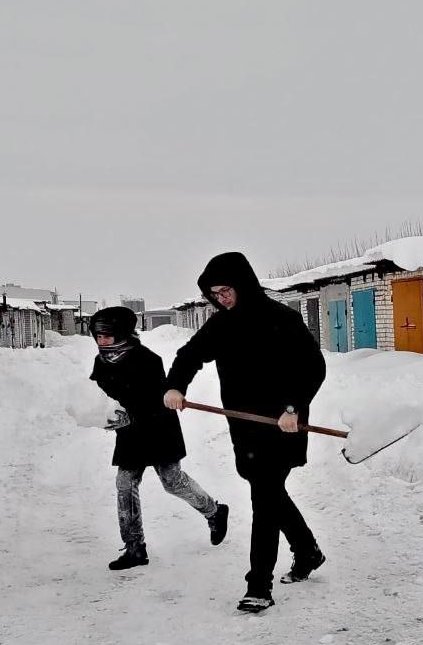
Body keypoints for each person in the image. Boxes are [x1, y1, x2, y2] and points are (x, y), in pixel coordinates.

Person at [163, 252, 326, 613]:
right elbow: (189, 355)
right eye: (214, 294)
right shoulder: (221, 325)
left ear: (243, 284)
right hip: (245, 429)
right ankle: (307, 550)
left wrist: (293, 407)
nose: (221, 299)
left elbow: (313, 367)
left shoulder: (282, 319)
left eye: (226, 291)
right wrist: (175, 386)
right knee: (269, 493)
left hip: (282, 425)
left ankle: (259, 585)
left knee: (264, 500)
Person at [88, 306, 228, 570]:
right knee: (125, 484)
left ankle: (214, 511)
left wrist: (128, 415)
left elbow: (154, 401)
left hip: (158, 428)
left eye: (107, 335)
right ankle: (134, 548)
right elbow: (99, 396)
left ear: (122, 334)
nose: (102, 341)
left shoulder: (147, 359)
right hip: (129, 434)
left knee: (172, 482)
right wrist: (100, 414)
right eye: (98, 336)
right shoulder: (101, 361)